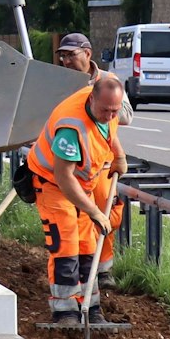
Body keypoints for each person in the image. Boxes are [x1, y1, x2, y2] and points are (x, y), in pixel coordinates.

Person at [25, 72, 126, 326]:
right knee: (66, 243)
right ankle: (65, 311)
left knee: (87, 245)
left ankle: (90, 308)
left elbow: (110, 131)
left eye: (114, 111)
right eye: (105, 110)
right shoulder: (71, 128)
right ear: (92, 99)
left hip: (81, 185)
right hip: (53, 184)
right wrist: (94, 211)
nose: (110, 116)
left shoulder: (108, 108)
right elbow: (64, 177)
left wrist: (119, 157)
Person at [56, 31, 130, 287]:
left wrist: (96, 102)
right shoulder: (61, 82)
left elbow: (126, 116)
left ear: (87, 54)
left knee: (106, 215)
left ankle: (104, 269)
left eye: (71, 55)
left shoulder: (108, 81)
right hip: (71, 163)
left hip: (102, 163)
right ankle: (81, 270)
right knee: (75, 218)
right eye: (63, 56)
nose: (66, 61)